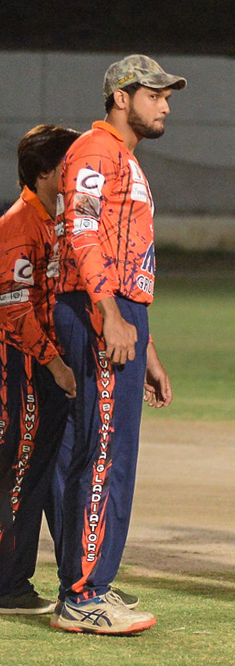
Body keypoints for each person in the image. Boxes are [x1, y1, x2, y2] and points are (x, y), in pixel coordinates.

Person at [50, 55, 179, 634]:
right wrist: (109, 314)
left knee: (107, 452)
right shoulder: (96, 151)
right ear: (121, 98)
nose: (165, 106)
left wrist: (145, 345)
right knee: (103, 454)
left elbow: (122, 252)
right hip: (96, 308)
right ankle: (83, 595)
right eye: (155, 95)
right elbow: (82, 232)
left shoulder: (121, 156)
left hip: (118, 311)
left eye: (166, 96)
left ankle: (90, 583)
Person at [0, 125, 79, 615]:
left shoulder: (56, 219)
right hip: (24, 366)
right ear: (47, 172)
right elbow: (13, 309)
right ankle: (8, 586)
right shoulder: (20, 224)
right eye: (70, 165)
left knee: (49, 472)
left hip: (46, 365)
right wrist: (55, 364)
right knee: (19, 472)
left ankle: (79, 581)